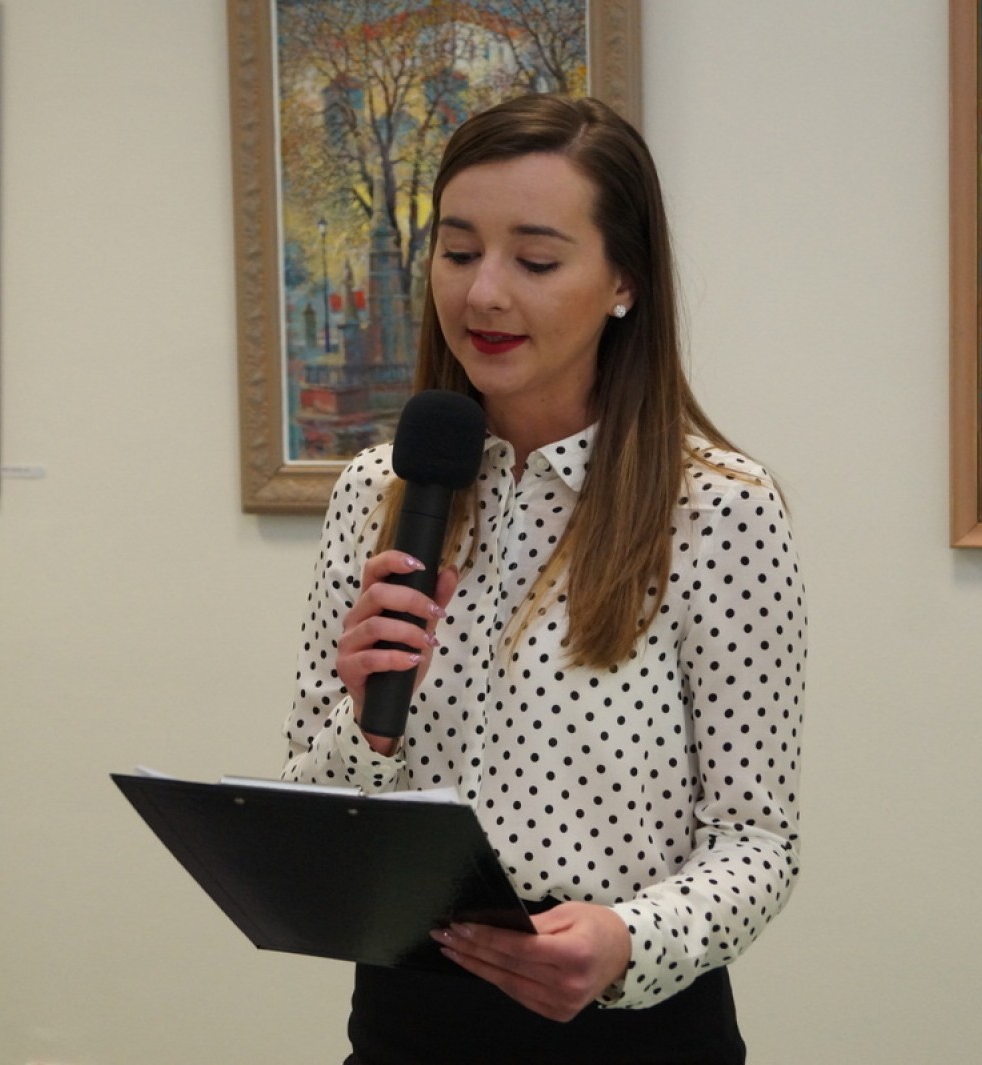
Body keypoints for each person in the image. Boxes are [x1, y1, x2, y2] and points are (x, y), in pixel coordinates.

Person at [282, 93, 806, 1065]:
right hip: (405, 1029)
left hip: (631, 1035)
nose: (482, 294)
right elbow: (314, 815)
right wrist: (364, 725)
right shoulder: (376, 491)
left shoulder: (720, 509)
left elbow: (758, 841)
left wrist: (629, 942)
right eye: (457, 251)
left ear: (623, 281)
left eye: (534, 261)